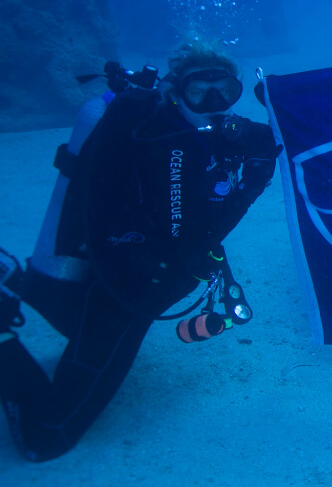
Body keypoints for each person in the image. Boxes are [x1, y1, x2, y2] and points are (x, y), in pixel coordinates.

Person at [0, 40, 280, 462]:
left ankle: (16, 281)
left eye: (224, 90)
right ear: (174, 92)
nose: (214, 103)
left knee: (69, 323)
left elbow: (274, 139)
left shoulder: (209, 130)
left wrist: (276, 116)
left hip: (125, 276)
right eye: (199, 92)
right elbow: (187, 239)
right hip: (124, 289)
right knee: (47, 439)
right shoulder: (166, 142)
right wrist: (254, 182)